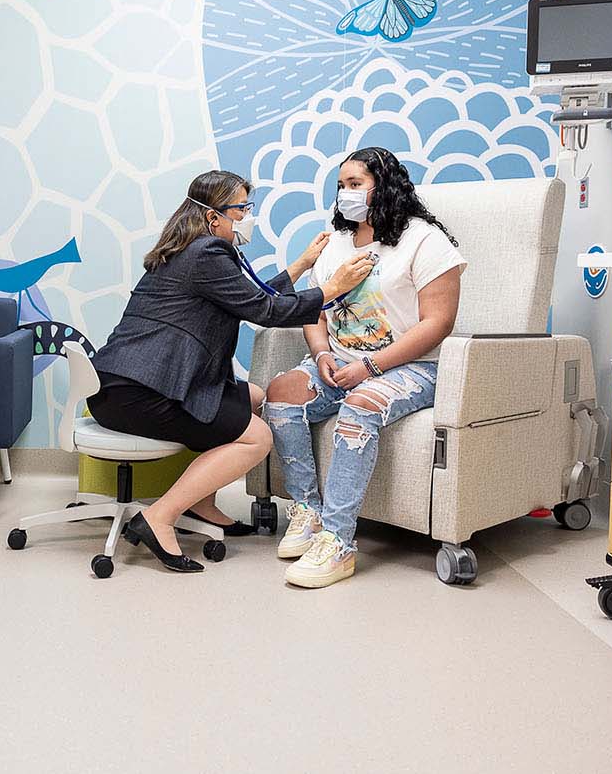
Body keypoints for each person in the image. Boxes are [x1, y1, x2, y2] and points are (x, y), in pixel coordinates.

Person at [88, 170, 375, 573]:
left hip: (124, 383)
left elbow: (250, 298)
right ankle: (160, 517)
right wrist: (331, 289)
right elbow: (264, 310)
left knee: (256, 397)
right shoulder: (206, 254)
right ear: (212, 218)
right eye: (241, 209)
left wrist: (301, 265)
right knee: (256, 439)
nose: (246, 217)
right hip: (137, 391)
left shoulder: (189, 248)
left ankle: (201, 500)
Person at [264, 147, 466, 589]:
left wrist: (370, 367)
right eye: (341, 185)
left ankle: (338, 542)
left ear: (384, 186)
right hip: (337, 362)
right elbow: (313, 310)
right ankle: (308, 512)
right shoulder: (335, 241)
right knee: (280, 392)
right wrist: (321, 355)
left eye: (355, 184)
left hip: (411, 365)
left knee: (362, 403)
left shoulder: (424, 240)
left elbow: (439, 323)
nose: (345, 193)